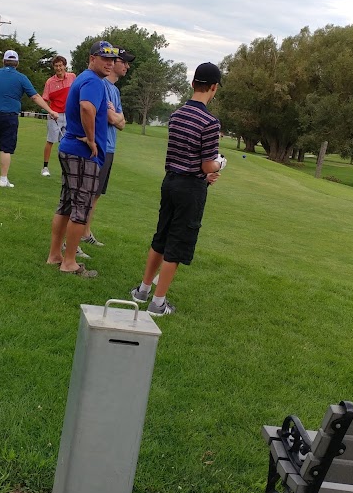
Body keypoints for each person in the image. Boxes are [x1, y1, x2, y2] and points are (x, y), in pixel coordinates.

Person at [130, 62, 226, 315]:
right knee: (177, 243)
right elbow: (207, 165)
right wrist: (220, 164)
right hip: (190, 189)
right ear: (214, 87)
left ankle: (142, 290)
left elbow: (187, 159)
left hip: (171, 182)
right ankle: (158, 303)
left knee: (161, 237)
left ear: (193, 84)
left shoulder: (176, 115)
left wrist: (205, 174)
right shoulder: (210, 122)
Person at [46, 40, 116, 277]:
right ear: (92, 58)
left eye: (112, 59)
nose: (109, 63)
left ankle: (55, 255)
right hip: (81, 152)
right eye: (104, 58)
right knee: (81, 207)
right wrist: (92, 138)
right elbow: (87, 107)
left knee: (66, 203)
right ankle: (69, 263)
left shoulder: (85, 78)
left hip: (71, 147)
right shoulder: (93, 81)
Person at [0, 49, 59, 187]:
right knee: (6, 148)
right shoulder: (21, 78)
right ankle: (3, 179)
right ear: (16, 63)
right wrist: (50, 111)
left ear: (4, 61)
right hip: (9, 117)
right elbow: (35, 96)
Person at [80, 47, 134, 247]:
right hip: (98, 147)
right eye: (124, 62)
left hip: (110, 147)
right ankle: (74, 240)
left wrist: (117, 117)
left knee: (96, 195)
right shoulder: (101, 84)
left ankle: (85, 233)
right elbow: (112, 117)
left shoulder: (115, 91)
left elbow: (121, 123)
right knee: (86, 194)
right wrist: (116, 117)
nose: (126, 66)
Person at [40, 56, 75, 176]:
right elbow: (44, 100)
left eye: (61, 65)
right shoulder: (50, 82)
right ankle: (45, 167)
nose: (59, 68)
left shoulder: (72, 77)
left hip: (69, 115)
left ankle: (66, 168)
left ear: (65, 66)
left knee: (67, 142)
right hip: (55, 115)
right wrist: (50, 112)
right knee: (50, 141)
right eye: (56, 66)